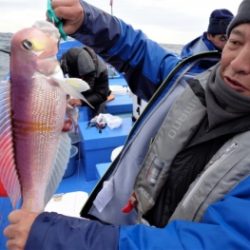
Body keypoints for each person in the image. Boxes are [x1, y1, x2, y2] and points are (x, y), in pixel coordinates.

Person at [4, 0, 250, 249]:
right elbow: (139, 55)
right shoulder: (190, 84)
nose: (239, 64)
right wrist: (86, 20)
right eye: (235, 42)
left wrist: (53, 238)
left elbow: (220, 242)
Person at [60, 46, 111, 116]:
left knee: (99, 109)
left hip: (95, 92)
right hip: (73, 88)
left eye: (86, 77)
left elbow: (101, 95)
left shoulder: (101, 71)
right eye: (82, 77)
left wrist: (80, 101)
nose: (83, 78)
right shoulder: (66, 62)